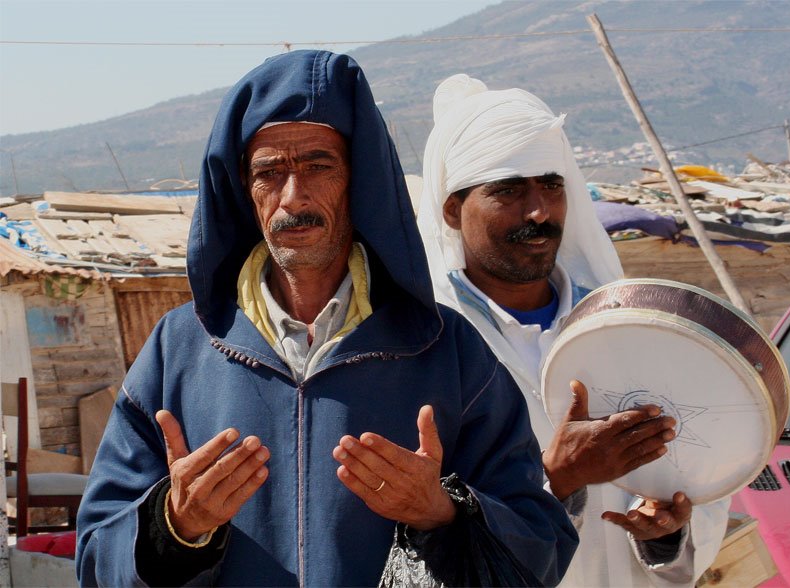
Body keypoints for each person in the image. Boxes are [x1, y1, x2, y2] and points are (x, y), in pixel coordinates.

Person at [75, 52, 578, 587]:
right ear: (245, 192)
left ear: (359, 184)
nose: (294, 197)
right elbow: (94, 557)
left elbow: (539, 547)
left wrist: (441, 512)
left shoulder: (445, 349)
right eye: (269, 173)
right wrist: (175, 526)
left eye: (318, 167)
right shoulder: (179, 351)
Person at [416, 74, 730, 587]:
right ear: (453, 209)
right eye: (510, 191)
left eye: (551, 185)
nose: (539, 211)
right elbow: (422, 528)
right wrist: (557, 480)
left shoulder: (626, 326)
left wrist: (666, 531)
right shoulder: (424, 347)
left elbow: (697, 478)